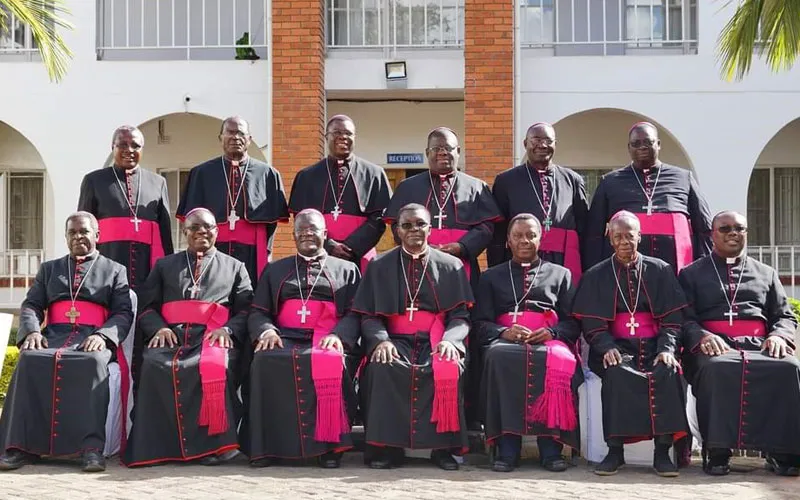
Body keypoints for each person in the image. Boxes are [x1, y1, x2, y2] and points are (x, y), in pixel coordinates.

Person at [383, 127, 501, 427]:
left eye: (449, 149)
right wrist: (422, 249)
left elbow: (487, 229)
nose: (443, 154)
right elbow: (397, 227)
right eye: (436, 149)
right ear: (427, 154)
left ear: (458, 152)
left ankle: (469, 410)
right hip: (415, 269)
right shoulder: (409, 187)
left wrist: (460, 248)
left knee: (464, 332)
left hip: (462, 268)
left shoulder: (476, 187)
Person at [0, 212, 133, 472]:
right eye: (72, 233)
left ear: (97, 235)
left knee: (93, 362)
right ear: (66, 238)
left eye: (84, 231)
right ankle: (20, 447)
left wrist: (103, 336)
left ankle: (90, 450)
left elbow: (122, 313)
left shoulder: (115, 270)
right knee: (29, 358)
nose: (78, 237)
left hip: (91, 336)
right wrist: (32, 333)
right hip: (53, 335)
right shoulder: (50, 268)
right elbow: (32, 305)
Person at [123, 208, 253, 467]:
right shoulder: (164, 265)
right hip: (172, 337)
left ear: (216, 231)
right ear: (184, 233)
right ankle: (157, 447)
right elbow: (147, 306)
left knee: (216, 366)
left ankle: (214, 446)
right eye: (195, 228)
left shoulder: (235, 267)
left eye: (208, 227)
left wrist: (227, 330)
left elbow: (248, 309)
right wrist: (158, 328)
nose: (201, 232)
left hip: (211, 338)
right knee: (153, 364)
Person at [352, 204, 474, 470]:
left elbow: (461, 316)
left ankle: (442, 449)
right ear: (397, 231)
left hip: (436, 339)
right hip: (395, 339)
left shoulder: (451, 266)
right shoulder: (379, 265)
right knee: (383, 367)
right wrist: (381, 340)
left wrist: (451, 341)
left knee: (447, 366)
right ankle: (387, 448)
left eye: (420, 224)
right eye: (406, 225)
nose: (414, 230)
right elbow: (369, 315)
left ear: (430, 228)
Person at [679, 211, 800, 477]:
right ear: (713, 234)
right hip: (714, 346)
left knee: (789, 367)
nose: (733, 233)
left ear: (746, 233)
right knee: (717, 368)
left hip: (759, 345)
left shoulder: (766, 273)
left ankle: (781, 452)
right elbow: (683, 317)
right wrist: (702, 336)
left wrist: (779, 335)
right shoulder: (691, 274)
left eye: (739, 228)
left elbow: (784, 315)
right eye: (725, 228)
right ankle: (718, 451)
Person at [572, 210, 688, 477]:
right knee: (616, 373)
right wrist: (607, 347)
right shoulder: (596, 275)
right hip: (616, 347)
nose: (624, 241)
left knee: (667, 372)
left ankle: (662, 453)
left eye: (630, 235)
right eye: (618, 236)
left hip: (656, 345)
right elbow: (592, 325)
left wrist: (667, 350)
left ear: (640, 236)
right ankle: (615, 452)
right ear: (609, 239)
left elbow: (672, 320)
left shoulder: (660, 270)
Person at [246, 209, 361, 468]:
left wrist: (338, 335)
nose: (307, 234)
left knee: (329, 360)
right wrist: (267, 331)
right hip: (284, 336)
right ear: (294, 235)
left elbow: (356, 313)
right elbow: (259, 311)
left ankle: (330, 447)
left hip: (327, 338)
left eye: (313, 230)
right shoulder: (276, 270)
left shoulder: (347, 269)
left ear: (325, 234)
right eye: (302, 230)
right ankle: (267, 447)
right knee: (264, 360)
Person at [475, 213, 582, 473]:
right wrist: (503, 332)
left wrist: (552, 333)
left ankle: (551, 449)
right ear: (508, 242)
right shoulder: (491, 277)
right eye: (518, 236)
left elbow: (574, 323)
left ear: (540, 238)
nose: (525, 241)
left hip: (548, 341)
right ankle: (507, 449)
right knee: (499, 357)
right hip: (507, 341)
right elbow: (479, 323)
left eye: (531, 235)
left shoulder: (560, 274)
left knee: (560, 360)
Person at [78, 125, 174, 394]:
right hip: (107, 277)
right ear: (113, 148)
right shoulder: (95, 180)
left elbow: (165, 235)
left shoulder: (158, 182)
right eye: (123, 145)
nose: (129, 151)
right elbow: (83, 230)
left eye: (135, 146)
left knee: (143, 347)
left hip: (146, 277)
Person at [584, 122, 712, 274]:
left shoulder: (683, 178)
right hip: (623, 269)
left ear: (658, 144)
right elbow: (594, 233)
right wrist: (594, 272)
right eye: (636, 143)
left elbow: (704, 228)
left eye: (648, 142)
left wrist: (703, 267)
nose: (642, 147)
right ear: (629, 148)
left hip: (676, 267)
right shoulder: (610, 182)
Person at [177, 116, 289, 283]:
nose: (235, 137)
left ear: (249, 139)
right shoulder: (201, 173)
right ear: (220, 137)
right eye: (230, 132)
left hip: (252, 251)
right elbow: (191, 218)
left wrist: (265, 250)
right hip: (214, 247)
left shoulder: (268, 174)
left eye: (240, 133)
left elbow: (272, 223)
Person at [288, 115, 391, 272]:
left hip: (361, 252)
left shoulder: (374, 173)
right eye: (337, 132)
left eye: (348, 133)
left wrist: (352, 247)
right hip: (318, 250)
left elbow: (379, 218)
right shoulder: (307, 176)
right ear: (326, 136)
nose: (343, 136)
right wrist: (328, 244)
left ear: (354, 137)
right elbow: (301, 218)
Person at [488, 123, 588, 284]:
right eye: (536, 140)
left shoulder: (573, 179)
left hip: (564, 258)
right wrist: (497, 267)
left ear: (556, 144)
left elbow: (584, 227)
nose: (542, 145)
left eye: (548, 140)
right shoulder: (506, 181)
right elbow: (499, 231)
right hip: (521, 257)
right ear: (525, 143)